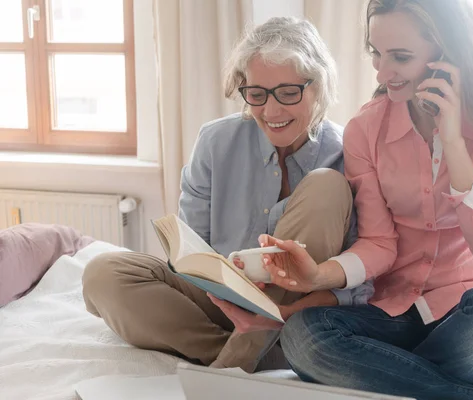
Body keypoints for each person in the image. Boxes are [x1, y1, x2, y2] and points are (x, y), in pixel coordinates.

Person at [255, 1, 473, 399]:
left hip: (469, 311)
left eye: (401, 57)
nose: (381, 72)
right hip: (391, 313)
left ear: (449, 52)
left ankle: (390, 374)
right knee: (304, 337)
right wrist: (317, 276)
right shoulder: (366, 128)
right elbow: (380, 243)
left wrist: (453, 142)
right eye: (376, 53)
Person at [81, 16, 372, 374]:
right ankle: (249, 354)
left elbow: (360, 285)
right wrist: (225, 292)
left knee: (326, 184)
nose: (271, 110)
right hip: (219, 301)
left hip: (298, 312)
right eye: (257, 94)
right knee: (103, 272)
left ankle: (229, 367)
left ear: (320, 86)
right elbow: (189, 253)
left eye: (289, 92)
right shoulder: (215, 141)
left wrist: (280, 311)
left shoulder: (348, 156)